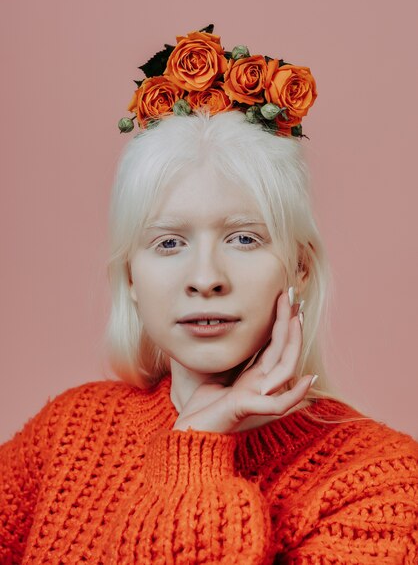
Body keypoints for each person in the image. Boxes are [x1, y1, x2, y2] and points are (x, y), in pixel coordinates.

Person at [1, 28, 417, 564]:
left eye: (243, 238)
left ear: (301, 267)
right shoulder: (67, 435)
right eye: (169, 242)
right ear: (130, 278)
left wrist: (195, 447)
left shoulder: (378, 480)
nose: (205, 278)